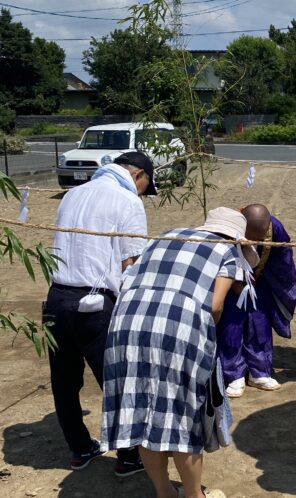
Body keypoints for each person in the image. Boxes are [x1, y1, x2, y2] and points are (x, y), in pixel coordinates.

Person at [100, 207, 248, 498]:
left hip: (127, 328)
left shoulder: (166, 236)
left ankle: (164, 492)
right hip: (176, 333)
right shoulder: (228, 253)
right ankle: (194, 495)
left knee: (141, 414)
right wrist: (205, 336)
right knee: (180, 418)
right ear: (235, 237)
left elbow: (131, 273)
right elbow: (215, 306)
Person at [43, 151, 157, 476]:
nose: (143, 194)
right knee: (116, 380)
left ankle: (80, 449)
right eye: (146, 186)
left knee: (64, 382)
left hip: (57, 299)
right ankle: (128, 456)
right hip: (95, 304)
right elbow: (130, 265)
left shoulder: (72, 194)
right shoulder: (127, 200)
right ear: (138, 176)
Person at [217, 204, 296, 395]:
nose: (254, 241)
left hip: (260, 279)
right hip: (228, 279)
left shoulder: (275, 229)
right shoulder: (227, 226)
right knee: (231, 323)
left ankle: (259, 370)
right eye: (250, 237)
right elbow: (218, 255)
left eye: (258, 238)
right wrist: (236, 281)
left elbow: (283, 258)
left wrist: (263, 276)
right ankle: (233, 374)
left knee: (260, 321)